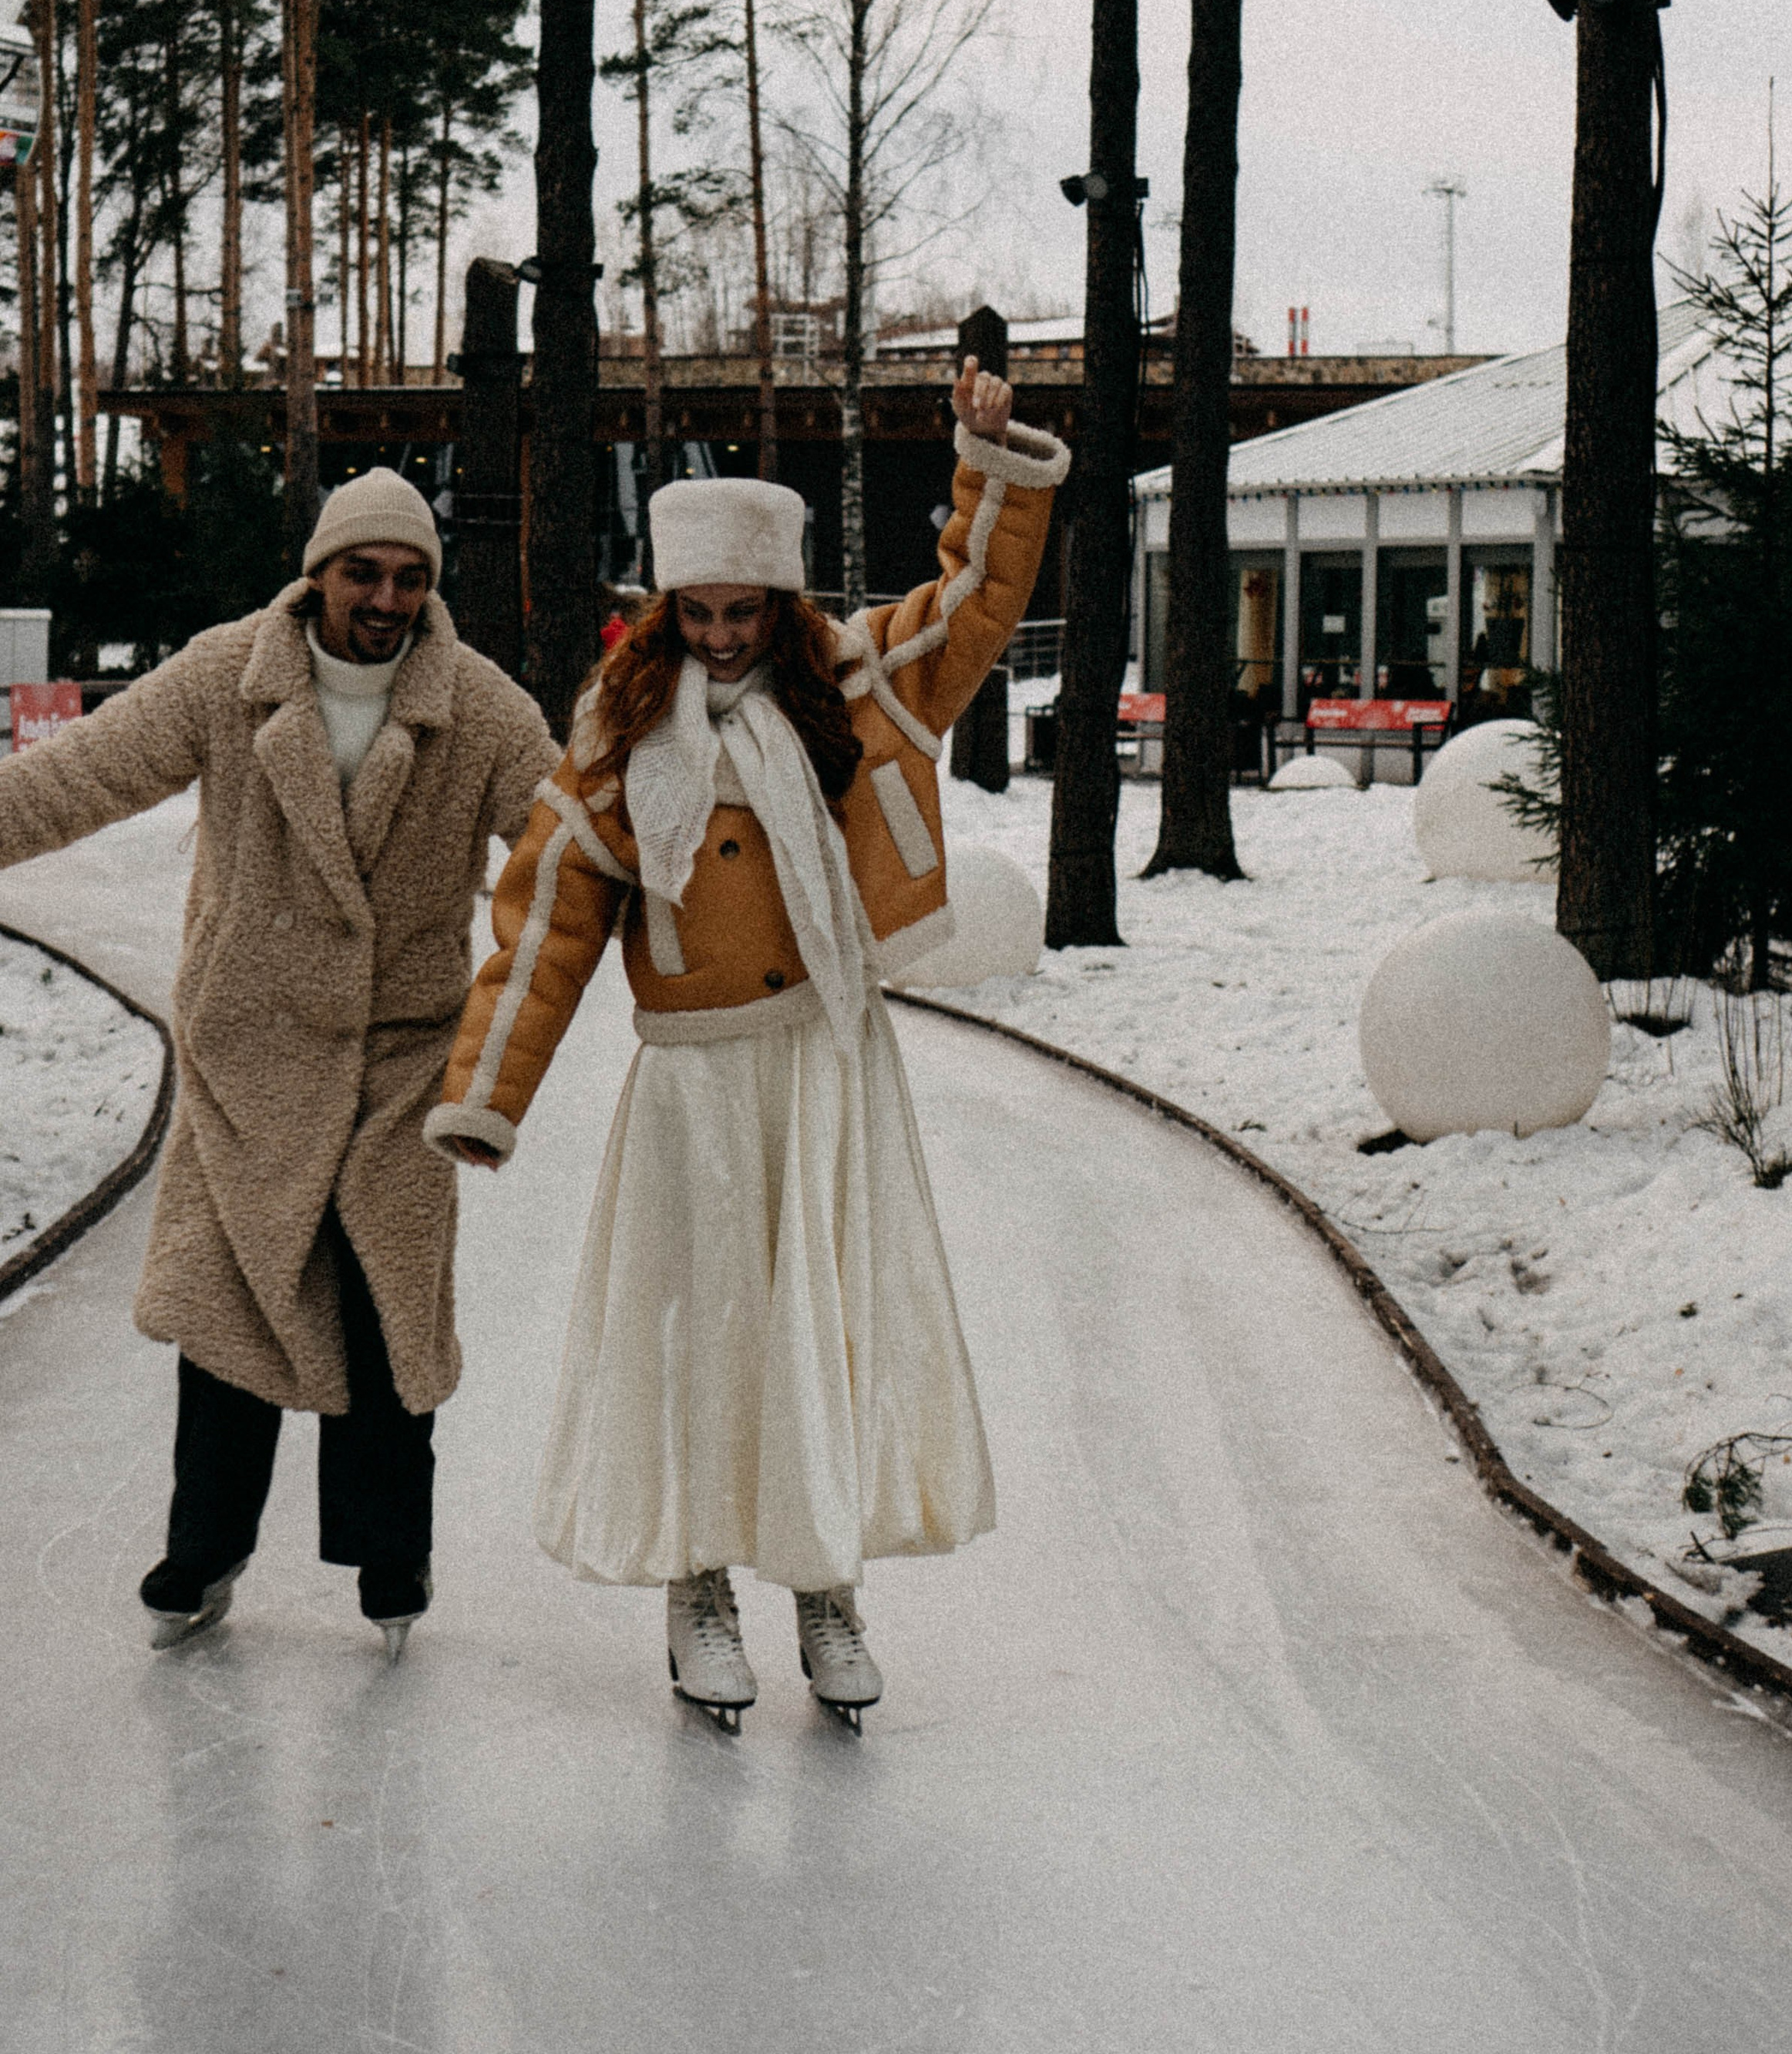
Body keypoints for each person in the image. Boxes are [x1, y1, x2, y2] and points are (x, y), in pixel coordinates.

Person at [427, 361, 1068, 1728]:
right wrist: (487, 1095)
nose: (720, 637)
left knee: (817, 1328)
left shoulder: (858, 686)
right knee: (711, 1334)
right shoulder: (619, 739)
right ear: (665, 609)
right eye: (697, 612)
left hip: (827, 1066)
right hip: (698, 1084)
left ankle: (824, 1585)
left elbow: (975, 598)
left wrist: (986, 457)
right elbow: (543, 921)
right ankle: (700, 1584)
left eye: (743, 612)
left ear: (781, 605)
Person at [0, 469, 556, 1654]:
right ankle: (204, 1553)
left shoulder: (481, 707)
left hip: (401, 1065)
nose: (388, 598)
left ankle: (391, 1565)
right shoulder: (226, 675)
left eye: (410, 578)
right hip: (246, 1058)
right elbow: (77, 776)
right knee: (232, 1317)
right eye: (365, 572)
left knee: (385, 1317)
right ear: (320, 574)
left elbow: (567, 856)